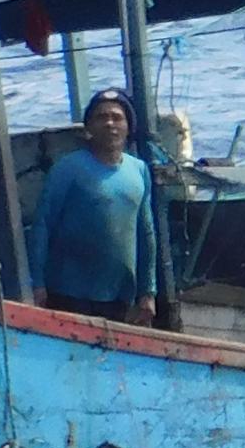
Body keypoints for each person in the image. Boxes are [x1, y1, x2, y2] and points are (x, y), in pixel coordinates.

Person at [34, 90, 157, 324]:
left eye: (117, 117)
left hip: (119, 296)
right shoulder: (68, 169)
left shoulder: (139, 170)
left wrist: (147, 291)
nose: (110, 123)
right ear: (89, 127)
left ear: (129, 126)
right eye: (101, 117)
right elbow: (43, 226)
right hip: (70, 293)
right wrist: (37, 284)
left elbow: (146, 233)